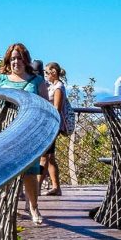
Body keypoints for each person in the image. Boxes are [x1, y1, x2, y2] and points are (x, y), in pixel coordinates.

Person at [0, 43, 47, 224]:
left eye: (19, 58)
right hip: (5, 131)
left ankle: (33, 207)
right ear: (8, 60)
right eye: (13, 58)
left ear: (26, 60)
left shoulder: (37, 81)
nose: (16, 62)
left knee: (30, 171)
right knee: (7, 171)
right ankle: (8, 209)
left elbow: (46, 106)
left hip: (28, 132)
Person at [43, 61, 72, 196]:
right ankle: (56, 187)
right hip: (51, 126)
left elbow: (57, 109)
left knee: (44, 157)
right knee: (49, 157)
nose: (45, 75)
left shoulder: (58, 88)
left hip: (53, 126)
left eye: (46, 72)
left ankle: (37, 186)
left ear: (53, 72)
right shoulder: (52, 86)